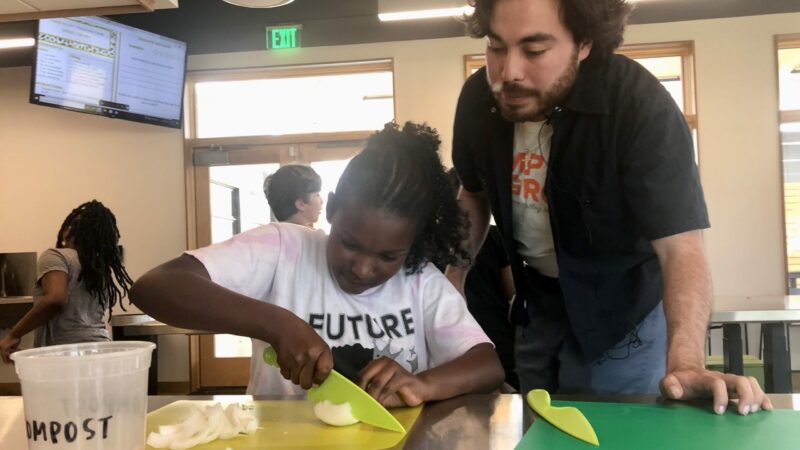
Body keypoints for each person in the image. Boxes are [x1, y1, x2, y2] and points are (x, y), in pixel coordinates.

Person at [447, 0, 771, 415]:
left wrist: (686, 362)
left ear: (584, 43)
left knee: (612, 432)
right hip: (537, 306)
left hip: (623, 312)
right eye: (495, 46)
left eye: (534, 50)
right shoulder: (480, 101)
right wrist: (451, 280)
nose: (509, 72)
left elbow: (680, 248)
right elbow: (473, 194)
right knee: (539, 430)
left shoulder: (637, 104)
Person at [130, 122, 505, 406]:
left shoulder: (420, 279)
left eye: (388, 256)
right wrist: (276, 323)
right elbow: (155, 287)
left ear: (416, 241)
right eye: (349, 243)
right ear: (332, 207)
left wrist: (422, 385)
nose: (362, 268)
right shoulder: (281, 247)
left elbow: (487, 366)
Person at [0, 200, 133, 363]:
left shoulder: (56, 256)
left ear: (71, 229)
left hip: (64, 355)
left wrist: (14, 334)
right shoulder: (99, 269)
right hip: (100, 350)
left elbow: (55, 299)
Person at [443, 168, 519, 390]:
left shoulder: (434, 244)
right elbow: (512, 291)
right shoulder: (494, 236)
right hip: (497, 338)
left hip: (456, 343)